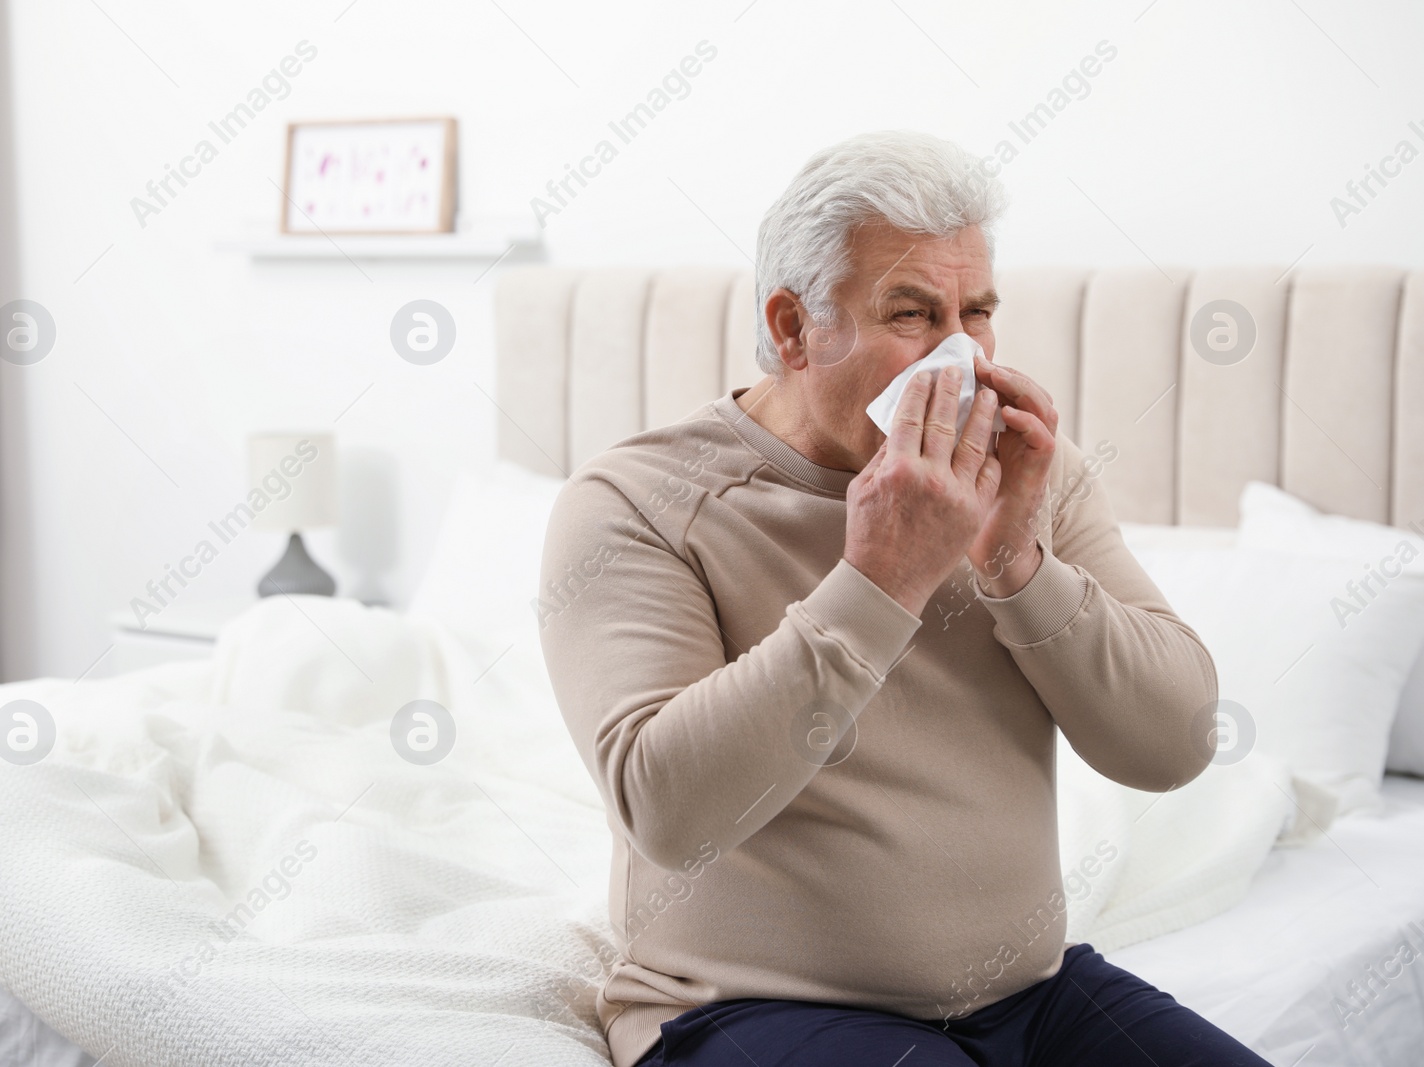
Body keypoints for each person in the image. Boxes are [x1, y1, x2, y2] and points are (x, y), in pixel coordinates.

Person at [537, 130, 1270, 1067]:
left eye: (979, 312)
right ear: (796, 327)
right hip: (751, 1008)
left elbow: (1175, 745)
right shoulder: (637, 502)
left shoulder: (1027, 473)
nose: (961, 354)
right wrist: (883, 577)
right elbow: (668, 811)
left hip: (1032, 995)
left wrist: (1017, 561)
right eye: (914, 314)